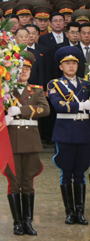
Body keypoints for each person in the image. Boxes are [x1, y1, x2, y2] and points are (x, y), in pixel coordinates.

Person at [4, 52, 50, 235]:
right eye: (21, 68)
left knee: (28, 181)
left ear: (31, 71)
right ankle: (17, 222)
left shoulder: (37, 90)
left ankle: (28, 222)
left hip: (31, 141)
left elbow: (45, 109)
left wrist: (20, 110)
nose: (24, 71)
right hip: (12, 141)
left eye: (27, 68)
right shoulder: (5, 90)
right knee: (14, 182)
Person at [48, 46, 90, 225]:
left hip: (84, 132)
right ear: (61, 67)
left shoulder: (86, 84)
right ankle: (69, 212)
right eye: (67, 64)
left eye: (74, 63)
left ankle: (80, 212)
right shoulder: (54, 84)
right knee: (66, 172)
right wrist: (82, 106)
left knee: (80, 172)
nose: (71, 66)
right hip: (65, 131)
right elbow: (58, 106)